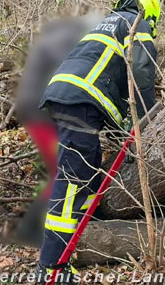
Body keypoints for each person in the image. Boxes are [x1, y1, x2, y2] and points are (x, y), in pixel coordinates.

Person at [37, 0, 160, 276]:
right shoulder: (136, 22)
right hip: (81, 101)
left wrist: (122, 137)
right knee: (73, 179)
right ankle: (52, 263)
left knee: (89, 166)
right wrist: (145, 119)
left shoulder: (104, 23)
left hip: (65, 96)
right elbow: (141, 70)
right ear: (149, 14)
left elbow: (108, 76)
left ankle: (81, 236)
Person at [12, 13, 101, 246]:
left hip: (39, 109)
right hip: (40, 113)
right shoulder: (67, 42)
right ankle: (30, 229)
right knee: (63, 170)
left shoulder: (55, 38)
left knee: (62, 169)